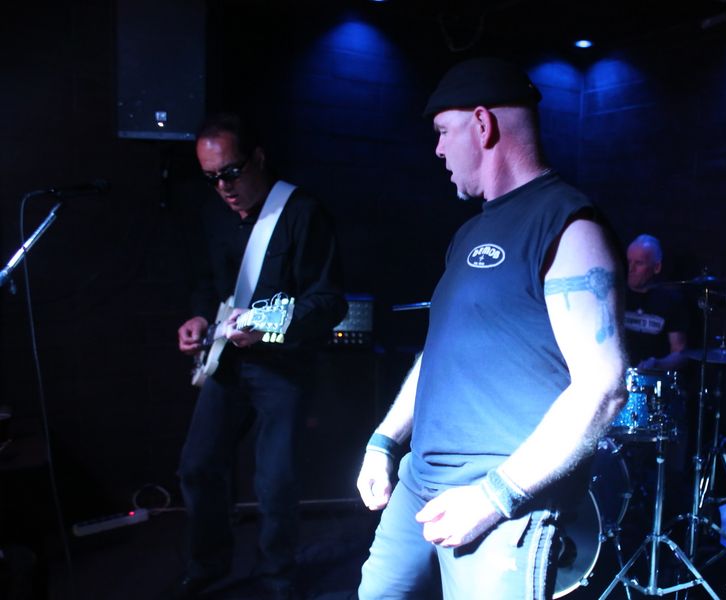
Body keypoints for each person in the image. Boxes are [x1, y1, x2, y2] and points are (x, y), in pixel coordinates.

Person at [356, 57, 627, 600]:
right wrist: (385, 439)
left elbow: (604, 385)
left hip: (499, 504)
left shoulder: (568, 225)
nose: (438, 150)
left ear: (482, 124)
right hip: (418, 483)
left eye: (443, 131)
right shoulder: (467, 235)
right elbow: (437, 355)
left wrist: (494, 496)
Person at [174, 113, 347, 600]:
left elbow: (328, 302)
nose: (223, 187)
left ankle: (277, 577)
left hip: (283, 367)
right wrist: (198, 318)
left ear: (258, 158)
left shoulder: (302, 212)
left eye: (231, 172)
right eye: (211, 178)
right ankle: (209, 565)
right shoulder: (213, 215)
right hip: (227, 361)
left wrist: (267, 325)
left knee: (275, 481)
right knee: (197, 465)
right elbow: (208, 283)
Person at [624, 234, 689, 371]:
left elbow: (679, 352)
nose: (631, 269)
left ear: (657, 267)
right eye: (628, 262)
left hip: (651, 378)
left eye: (639, 263)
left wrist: (658, 364)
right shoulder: (615, 295)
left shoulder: (671, 300)